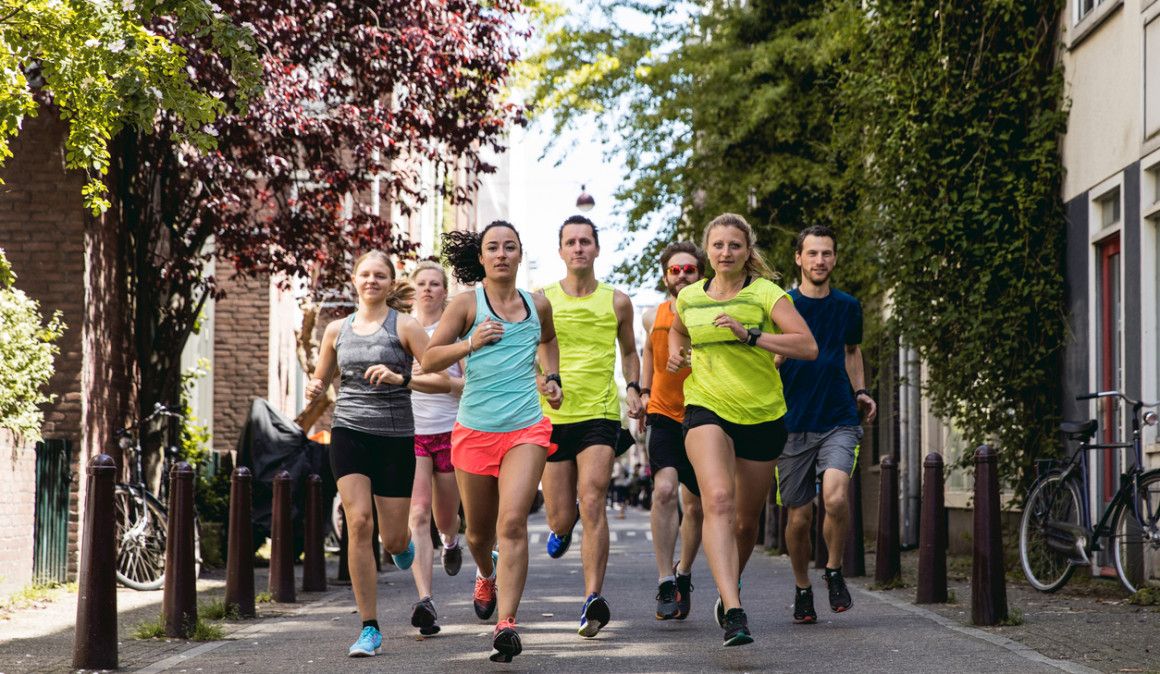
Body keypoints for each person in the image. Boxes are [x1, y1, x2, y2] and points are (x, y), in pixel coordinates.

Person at [667, 213, 817, 646]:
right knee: (716, 498)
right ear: (707, 250)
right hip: (705, 406)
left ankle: (728, 583)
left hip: (762, 414)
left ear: (747, 250)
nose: (725, 253)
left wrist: (751, 336)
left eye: (735, 245)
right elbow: (678, 333)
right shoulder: (690, 297)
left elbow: (807, 345)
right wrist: (678, 356)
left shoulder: (766, 294)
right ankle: (734, 610)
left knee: (746, 524)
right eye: (718, 246)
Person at [422, 221, 563, 663]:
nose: (501, 254)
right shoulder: (467, 304)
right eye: (493, 248)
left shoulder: (538, 305)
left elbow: (550, 341)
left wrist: (552, 378)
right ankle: (485, 573)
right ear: (481, 258)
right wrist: (469, 343)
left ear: (520, 255)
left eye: (510, 247)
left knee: (512, 523)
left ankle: (506, 624)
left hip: (526, 427)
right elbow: (428, 359)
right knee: (479, 533)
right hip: (475, 430)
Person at [306, 251, 449, 658]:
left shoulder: (403, 326)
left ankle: (400, 545)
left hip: (395, 437)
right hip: (349, 431)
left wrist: (401, 378)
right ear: (354, 279)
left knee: (393, 538)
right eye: (365, 274)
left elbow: (440, 377)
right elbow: (321, 375)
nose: (372, 280)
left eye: (380, 275)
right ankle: (369, 627)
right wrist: (315, 387)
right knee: (359, 522)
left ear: (390, 283)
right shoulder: (336, 329)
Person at [538, 214, 643, 639]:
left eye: (586, 241)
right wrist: (544, 382)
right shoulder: (540, 300)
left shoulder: (617, 301)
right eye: (571, 242)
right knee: (560, 517)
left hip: (599, 413)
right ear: (560, 251)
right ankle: (563, 528)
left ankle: (592, 599)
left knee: (594, 497)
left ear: (597, 249)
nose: (579, 248)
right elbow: (531, 351)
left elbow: (630, 352)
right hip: (552, 416)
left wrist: (634, 387)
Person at [776, 225, 877, 623]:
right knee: (798, 519)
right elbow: (767, 355)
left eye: (827, 254)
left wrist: (861, 390)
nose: (820, 260)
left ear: (835, 258)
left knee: (835, 498)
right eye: (813, 253)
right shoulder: (781, 305)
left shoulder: (848, 306)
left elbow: (852, 352)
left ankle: (834, 569)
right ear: (799, 258)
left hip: (838, 417)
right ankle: (803, 587)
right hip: (791, 423)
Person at [640, 241, 706, 621]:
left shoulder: (713, 312)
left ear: (700, 274)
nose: (682, 276)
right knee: (664, 491)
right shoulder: (653, 314)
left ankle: (683, 573)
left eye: (689, 270)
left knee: (694, 503)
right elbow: (650, 351)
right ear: (666, 276)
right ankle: (665, 578)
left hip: (703, 413)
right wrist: (645, 392)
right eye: (675, 270)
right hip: (663, 413)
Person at [406, 260, 466, 637]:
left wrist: (425, 379)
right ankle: (425, 601)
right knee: (418, 514)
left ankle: (451, 541)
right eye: (422, 284)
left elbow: (464, 386)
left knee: (445, 518)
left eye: (435, 284)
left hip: (448, 429)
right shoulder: (401, 328)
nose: (428, 289)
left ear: (445, 291)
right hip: (411, 433)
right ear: (413, 289)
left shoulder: (453, 333)